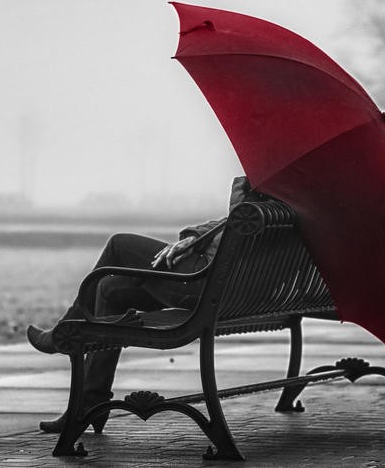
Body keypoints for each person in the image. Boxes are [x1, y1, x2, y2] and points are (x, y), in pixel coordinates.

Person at [26, 176, 257, 434]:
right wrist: (193, 236)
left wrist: (242, 185)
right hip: (233, 293)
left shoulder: (261, 191)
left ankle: (63, 334)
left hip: (203, 285)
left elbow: (239, 220)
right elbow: (231, 226)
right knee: (110, 289)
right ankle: (89, 402)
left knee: (119, 244)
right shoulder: (293, 202)